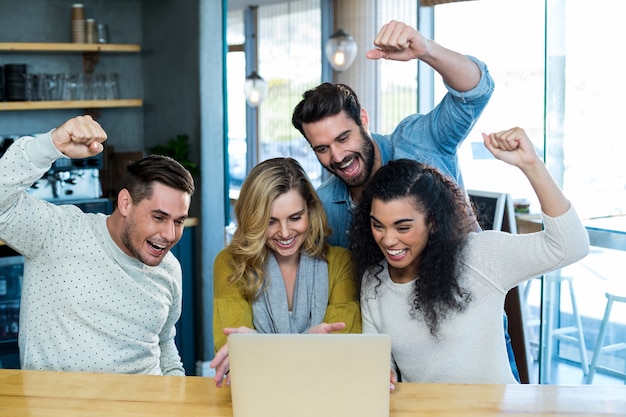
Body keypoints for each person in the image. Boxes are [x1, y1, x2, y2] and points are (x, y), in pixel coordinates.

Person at [291, 20, 526, 379]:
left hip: (477, 338)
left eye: (344, 138)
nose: (338, 156)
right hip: (405, 352)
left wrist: (425, 49)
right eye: (322, 149)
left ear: (363, 120)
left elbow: (476, 90)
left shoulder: (420, 141)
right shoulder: (324, 208)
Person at [349, 127, 590, 385]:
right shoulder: (374, 282)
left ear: (433, 222)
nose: (388, 239)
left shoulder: (479, 256)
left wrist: (531, 165)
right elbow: (383, 361)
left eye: (403, 227)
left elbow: (571, 245)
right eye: (378, 225)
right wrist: (383, 374)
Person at [0, 115, 195, 375]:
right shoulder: (57, 232)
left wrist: (176, 392)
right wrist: (50, 145)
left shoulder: (170, 268)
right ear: (125, 203)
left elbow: (164, 342)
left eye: (179, 221)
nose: (169, 234)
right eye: (158, 217)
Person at [210, 157, 360, 387]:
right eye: (270, 221)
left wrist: (260, 346)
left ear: (310, 210)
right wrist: (308, 345)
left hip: (326, 394)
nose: (285, 232)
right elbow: (234, 358)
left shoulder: (340, 262)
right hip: (257, 395)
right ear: (254, 220)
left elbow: (342, 356)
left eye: (295, 218)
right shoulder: (231, 263)